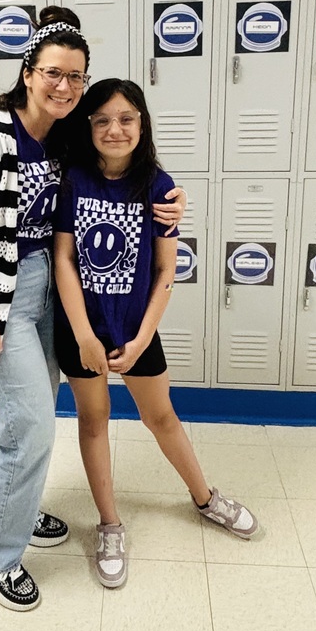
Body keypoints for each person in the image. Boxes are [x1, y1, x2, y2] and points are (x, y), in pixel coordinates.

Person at [0, 10, 186, 611]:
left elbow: (115, 172)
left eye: (75, 76)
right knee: (29, 424)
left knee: (34, 411)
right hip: (0, 297)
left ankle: (17, 508)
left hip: (48, 287)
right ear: (27, 73)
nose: (65, 87)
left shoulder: (64, 135)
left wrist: (167, 207)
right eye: (53, 73)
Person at [54, 78, 258, 589]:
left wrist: (144, 337)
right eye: (101, 119)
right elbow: (64, 260)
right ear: (88, 127)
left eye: (126, 118)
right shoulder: (72, 180)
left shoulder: (160, 187)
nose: (114, 129)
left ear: (142, 125)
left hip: (136, 330)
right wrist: (82, 334)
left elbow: (166, 271)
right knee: (94, 421)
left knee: (161, 416)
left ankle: (206, 498)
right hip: (82, 332)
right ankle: (109, 524)